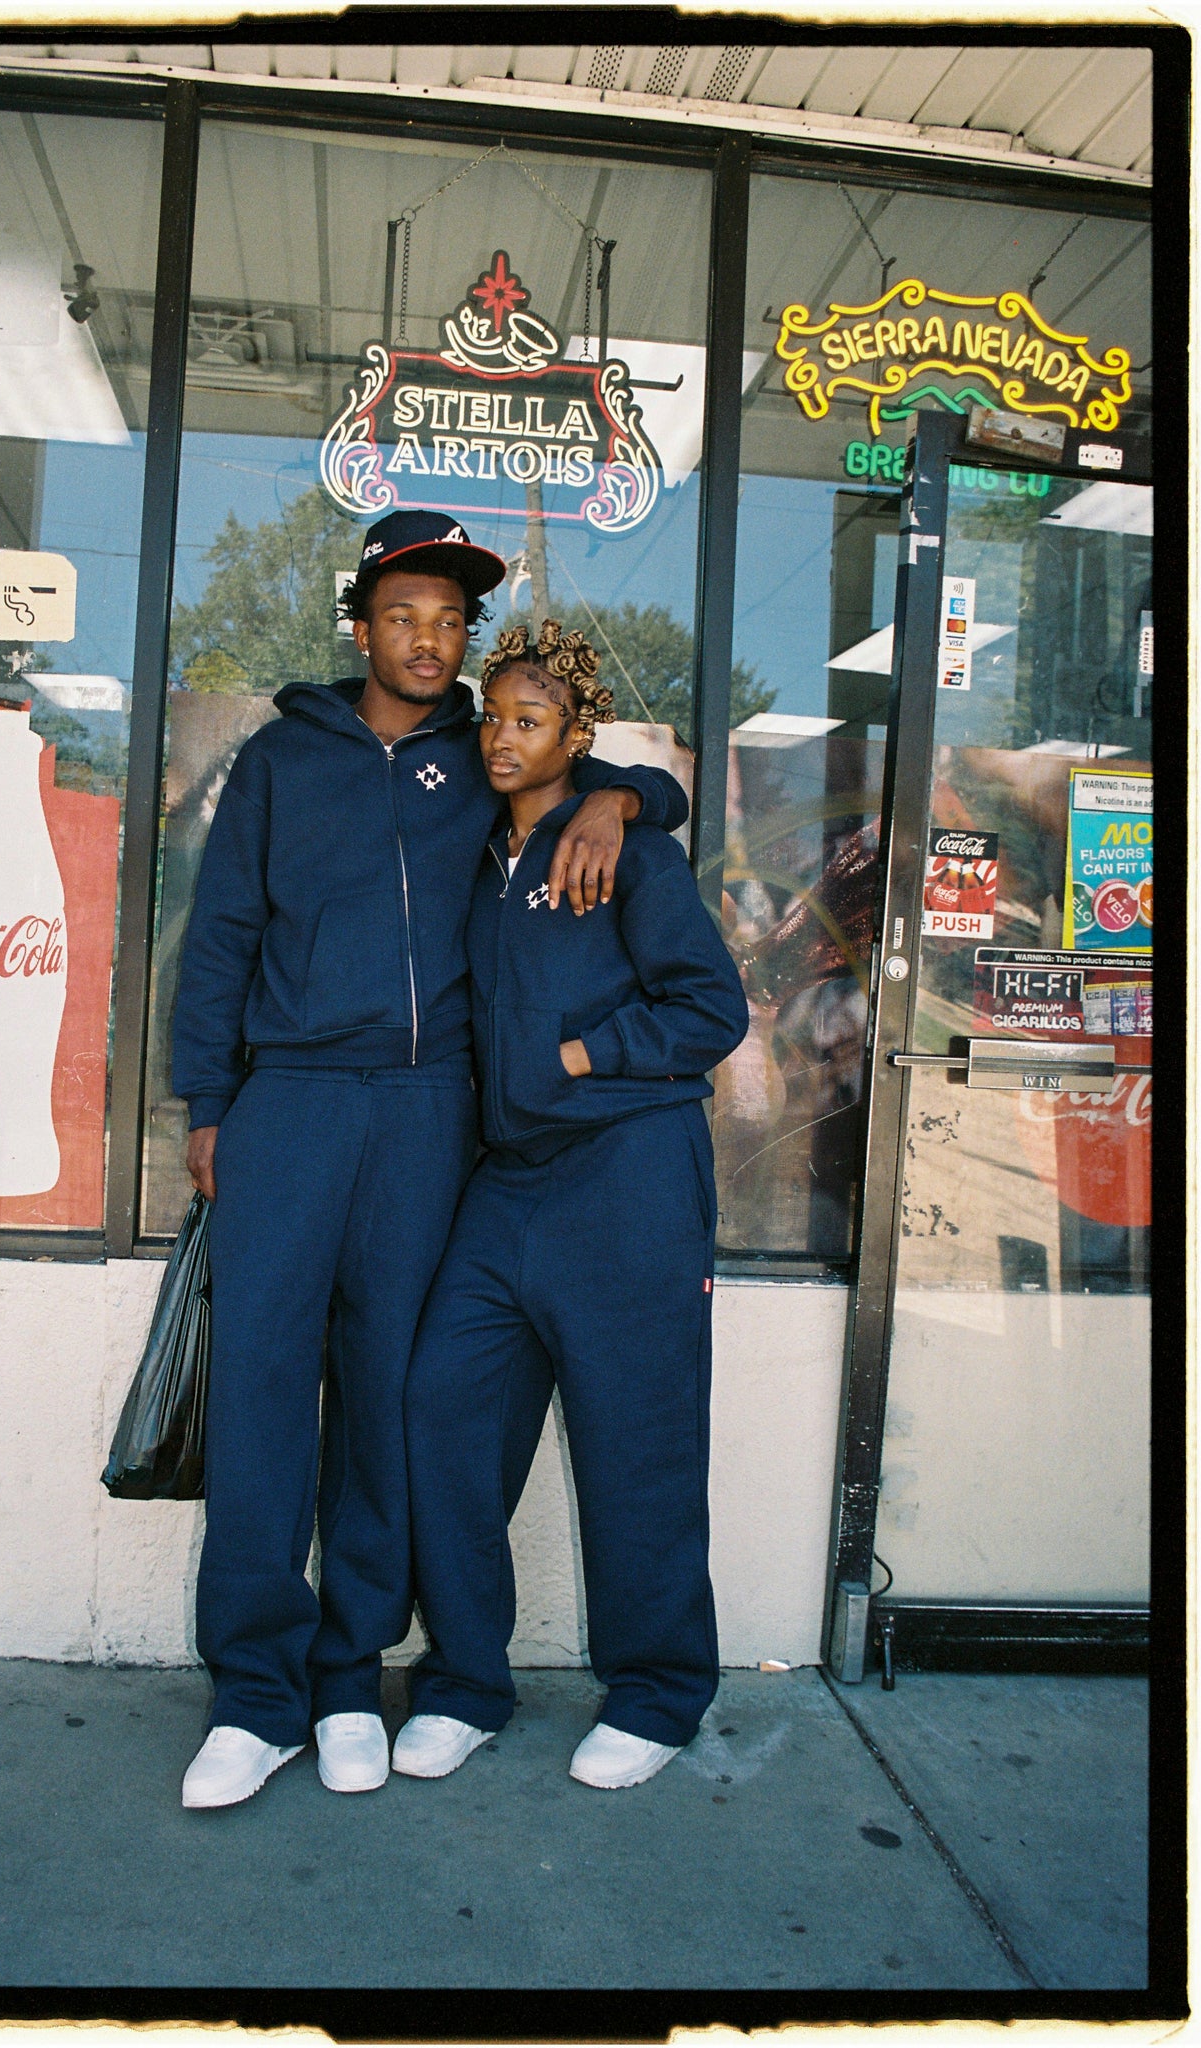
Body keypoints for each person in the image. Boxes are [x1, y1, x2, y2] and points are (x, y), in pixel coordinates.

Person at [171, 512, 688, 1809]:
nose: (427, 638)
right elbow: (221, 935)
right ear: (360, 625)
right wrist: (206, 1106)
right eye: (403, 614)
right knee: (261, 1394)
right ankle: (254, 1697)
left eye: (449, 620)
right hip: (286, 1100)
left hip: (427, 1112)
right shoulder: (281, 758)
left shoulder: (487, 751)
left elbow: (630, 789)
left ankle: (348, 1676)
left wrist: (625, 795)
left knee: (388, 1406)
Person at [394, 620, 749, 1791]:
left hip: (626, 1179)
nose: (501, 737)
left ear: (575, 737)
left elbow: (711, 1010)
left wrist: (586, 1056)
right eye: (492, 715)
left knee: (636, 1444)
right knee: (444, 1407)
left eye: (529, 721)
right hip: (506, 1187)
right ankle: (464, 1680)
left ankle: (656, 1692)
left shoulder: (623, 851)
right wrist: (634, 792)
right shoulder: (480, 843)